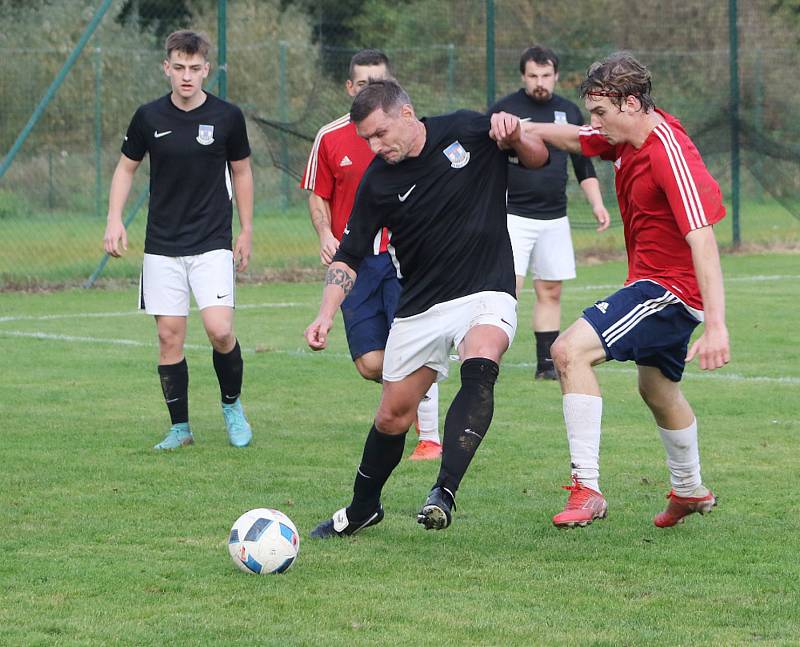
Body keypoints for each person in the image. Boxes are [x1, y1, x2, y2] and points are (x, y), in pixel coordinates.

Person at [304, 79, 549, 537]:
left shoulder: (467, 130)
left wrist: (515, 135)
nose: (375, 147)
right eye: (366, 140)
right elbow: (350, 254)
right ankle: (363, 509)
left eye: (380, 134)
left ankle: (444, 491)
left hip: (486, 289)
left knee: (482, 360)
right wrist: (324, 313)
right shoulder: (378, 181)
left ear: (406, 114)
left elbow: (538, 159)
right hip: (421, 306)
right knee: (392, 415)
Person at [524, 52, 729, 528]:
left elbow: (704, 241)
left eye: (601, 111)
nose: (594, 122)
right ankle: (690, 490)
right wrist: (526, 129)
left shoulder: (666, 151)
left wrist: (717, 325)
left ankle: (587, 489)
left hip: (668, 291)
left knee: (569, 350)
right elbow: (580, 138)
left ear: (631, 103)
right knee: (657, 389)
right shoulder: (626, 137)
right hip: (658, 285)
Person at [103, 30, 254, 450]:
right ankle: (180, 428)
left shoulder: (227, 117)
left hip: (212, 241)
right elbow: (125, 169)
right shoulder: (148, 117)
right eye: (179, 68)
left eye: (195, 69)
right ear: (166, 68)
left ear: (206, 70)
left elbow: (241, 172)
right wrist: (114, 219)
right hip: (162, 245)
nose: (187, 76)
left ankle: (231, 405)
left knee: (220, 330)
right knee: (169, 336)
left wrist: (245, 229)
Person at [301, 49, 441, 461]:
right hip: (356, 261)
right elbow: (318, 194)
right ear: (350, 88)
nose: (370, 89)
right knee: (371, 362)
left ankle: (429, 436)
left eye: (378, 82)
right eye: (363, 83)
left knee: (411, 345)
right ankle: (405, 401)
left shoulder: (408, 133)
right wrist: (325, 233)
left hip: (402, 259)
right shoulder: (330, 137)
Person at [490, 45, 610, 381]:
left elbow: (583, 164)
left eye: (546, 75)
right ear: (523, 77)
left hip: (555, 217)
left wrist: (598, 204)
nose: (540, 82)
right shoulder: (505, 110)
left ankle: (545, 365)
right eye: (533, 76)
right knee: (505, 290)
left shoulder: (569, 111)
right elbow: (487, 160)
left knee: (551, 291)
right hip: (512, 215)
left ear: (556, 76)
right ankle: (487, 360)